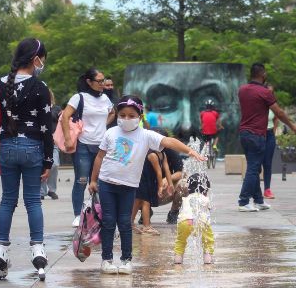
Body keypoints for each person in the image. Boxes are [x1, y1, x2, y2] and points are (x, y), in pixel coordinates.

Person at [88, 95, 205, 275]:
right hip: (107, 184)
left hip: (128, 187)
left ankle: (126, 260)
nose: (126, 119)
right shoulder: (110, 133)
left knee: (125, 222)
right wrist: (93, 180)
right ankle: (107, 259)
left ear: (140, 116)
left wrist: (189, 150)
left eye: (131, 115)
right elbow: (99, 157)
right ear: (117, 115)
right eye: (123, 115)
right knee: (109, 221)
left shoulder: (145, 135)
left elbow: (168, 141)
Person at [0, 38, 54, 281]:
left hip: (7, 147)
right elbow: (46, 127)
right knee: (33, 201)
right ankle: (38, 251)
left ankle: (0, 251)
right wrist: (48, 160)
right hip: (33, 147)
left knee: (7, 201)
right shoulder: (41, 87)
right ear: (35, 59)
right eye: (42, 60)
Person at [237, 63, 296, 212]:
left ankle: (258, 200)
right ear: (263, 74)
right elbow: (279, 112)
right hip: (257, 134)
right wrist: (292, 126)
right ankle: (243, 201)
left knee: (255, 167)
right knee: (253, 168)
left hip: (244, 133)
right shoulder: (265, 92)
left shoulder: (242, 90)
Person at [61, 68, 115, 227]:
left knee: (100, 181)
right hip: (83, 144)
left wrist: (103, 125)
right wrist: (68, 138)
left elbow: (113, 112)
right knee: (82, 180)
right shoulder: (79, 97)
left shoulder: (105, 98)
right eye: (99, 81)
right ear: (89, 82)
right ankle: (78, 215)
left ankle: (98, 213)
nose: (102, 84)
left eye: (103, 80)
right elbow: (65, 116)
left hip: (102, 146)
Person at [174, 173, 214, 265]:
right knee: (208, 241)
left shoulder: (186, 198)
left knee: (180, 241)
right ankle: (208, 260)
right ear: (206, 188)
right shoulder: (205, 199)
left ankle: (178, 260)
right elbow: (209, 209)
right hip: (201, 222)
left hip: (185, 222)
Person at [131, 149, 166, 235]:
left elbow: (166, 169)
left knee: (137, 201)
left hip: (147, 180)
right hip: (142, 180)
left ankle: (129, 223)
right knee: (145, 202)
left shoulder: (162, 154)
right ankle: (146, 226)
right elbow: (158, 172)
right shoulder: (152, 155)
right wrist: (160, 186)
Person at [40, 91, 60, 200]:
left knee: (54, 164)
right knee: (41, 165)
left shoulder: (56, 109)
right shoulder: (37, 107)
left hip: (53, 140)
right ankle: (42, 191)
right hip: (40, 139)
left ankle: (52, 189)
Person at [263, 86, 279, 200]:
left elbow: (276, 118)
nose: (269, 94)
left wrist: (273, 131)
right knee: (256, 164)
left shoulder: (273, 106)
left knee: (267, 164)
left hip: (269, 135)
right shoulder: (258, 104)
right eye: (267, 91)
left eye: (271, 92)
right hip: (258, 135)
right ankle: (255, 190)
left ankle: (267, 189)